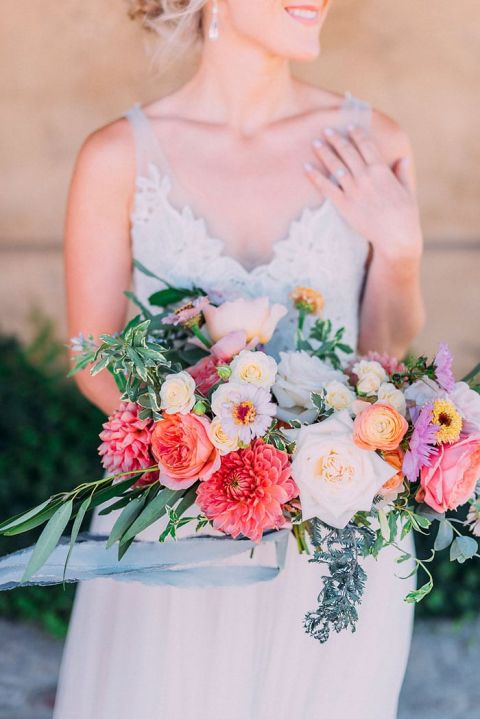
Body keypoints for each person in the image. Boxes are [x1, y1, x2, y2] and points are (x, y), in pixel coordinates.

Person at [55, 2, 425, 717]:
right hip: (176, 531)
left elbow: (383, 350)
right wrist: (201, 453)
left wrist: (403, 253)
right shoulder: (117, 155)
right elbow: (91, 356)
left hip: (335, 536)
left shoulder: (371, 139)